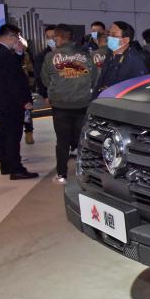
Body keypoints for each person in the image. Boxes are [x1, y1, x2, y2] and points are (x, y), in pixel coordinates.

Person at [42, 24, 97, 184]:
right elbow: (94, 77)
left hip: (60, 105)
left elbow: (45, 79)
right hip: (82, 104)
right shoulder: (86, 56)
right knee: (83, 140)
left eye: (54, 38)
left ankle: (61, 175)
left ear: (59, 38)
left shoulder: (50, 56)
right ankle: (86, 173)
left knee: (62, 141)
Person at [0, 24, 38, 179]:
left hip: (5, 100)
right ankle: (16, 168)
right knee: (12, 136)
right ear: (10, 37)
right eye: (17, 37)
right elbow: (14, 81)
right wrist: (25, 100)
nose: (18, 40)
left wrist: (19, 52)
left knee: (5, 133)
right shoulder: (3, 54)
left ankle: (7, 165)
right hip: (12, 101)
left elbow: (13, 70)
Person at [94, 21, 147, 96]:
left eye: (113, 35)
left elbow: (139, 89)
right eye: (109, 34)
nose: (109, 38)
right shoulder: (110, 55)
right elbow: (101, 81)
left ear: (125, 40)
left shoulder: (134, 60)